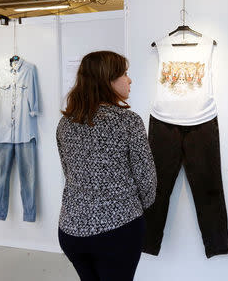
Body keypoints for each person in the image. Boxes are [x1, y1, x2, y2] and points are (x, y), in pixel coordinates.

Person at [56, 51, 156, 281]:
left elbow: (68, 171)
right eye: (124, 74)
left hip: (72, 231)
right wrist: (130, 207)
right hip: (119, 231)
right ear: (107, 79)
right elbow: (147, 180)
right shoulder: (128, 121)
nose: (129, 80)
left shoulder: (65, 122)